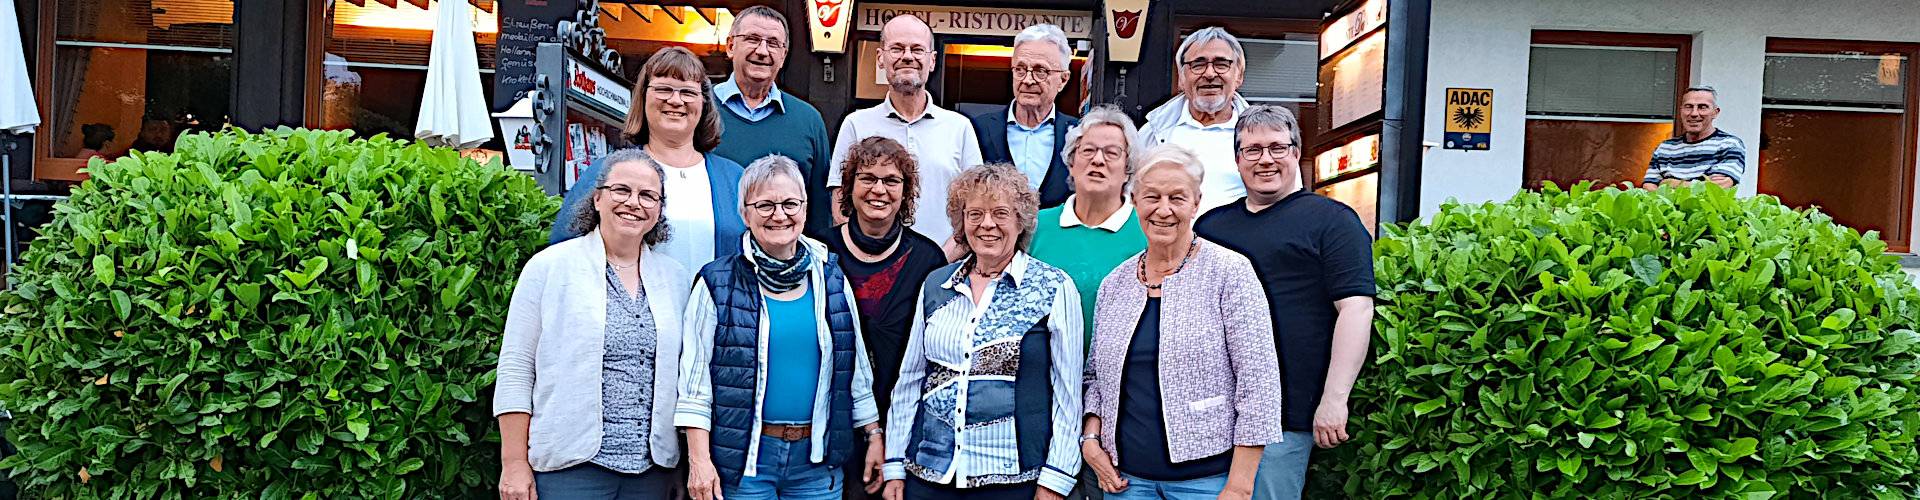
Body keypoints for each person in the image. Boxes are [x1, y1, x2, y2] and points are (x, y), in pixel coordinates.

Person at [1194, 106, 1375, 500]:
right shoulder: (1209, 227)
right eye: (1253, 150)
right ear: (1238, 159)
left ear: (1296, 152)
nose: (1266, 160)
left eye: (1277, 147)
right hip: (1211, 413)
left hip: (1287, 413)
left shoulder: (1334, 222)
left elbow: (1356, 309)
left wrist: (1334, 399)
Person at [677, 155, 885, 500]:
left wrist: (873, 434)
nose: (779, 215)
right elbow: (695, 384)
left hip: (816, 463)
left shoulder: (830, 276)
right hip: (745, 465)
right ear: (744, 214)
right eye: (765, 205)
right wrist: (699, 461)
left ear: (804, 209)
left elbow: (856, 367)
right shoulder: (717, 282)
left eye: (790, 204)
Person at [1081, 143, 1280, 500]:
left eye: (1177, 197)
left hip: (1207, 482)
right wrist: (1091, 438)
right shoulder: (1115, 284)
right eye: (1152, 197)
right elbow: (1095, 376)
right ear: (1134, 201)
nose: (1164, 209)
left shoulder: (1229, 272)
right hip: (1125, 482)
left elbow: (1259, 383)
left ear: (1196, 203)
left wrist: (1239, 486)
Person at [495, 149, 693, 499]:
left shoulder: (675, 279)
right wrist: (513, 464)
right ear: (597, 198)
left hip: (651, 474)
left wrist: (678, 467)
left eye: (648, 195)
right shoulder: (549, 267)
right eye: (621, 190)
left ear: (659, 210)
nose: (633, 203)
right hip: (571, 469)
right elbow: (516, 368)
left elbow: (681, 377)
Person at [882, 164, 1084, 500]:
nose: (986, 224)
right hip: (929, 476)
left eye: (1000, 213)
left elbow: (1068, 394)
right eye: (974, 214)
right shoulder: (937, 284)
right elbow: (911, 379)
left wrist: (1056, 479)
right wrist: (894, 467)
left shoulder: (1053, 287)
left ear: (1020, 221)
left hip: (1013, 482)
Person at [821, 136, 951, 499]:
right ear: (849, 188)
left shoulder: (928, 261)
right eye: (867, 178)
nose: (879, 189)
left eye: (891, 180)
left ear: (905, 192)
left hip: (902, 429)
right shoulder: (819, 250)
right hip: (827, 426)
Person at [554, 47, 747, 271]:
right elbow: (565, 250)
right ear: (643, 97)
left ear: (704, 103)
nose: (676, 100)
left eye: (688, 92)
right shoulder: (609, 172)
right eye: (664, 89)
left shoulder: (735, 178)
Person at [829, 14, 984, 260]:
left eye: (917, 49)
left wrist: (936, 261)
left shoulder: (960, 128)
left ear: (932, 60)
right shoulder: (856, 124)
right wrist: (868, 260)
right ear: (880, 58)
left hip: (944, 268)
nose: (908, 56)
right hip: (870, 269)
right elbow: (841, 205)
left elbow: (976, 207)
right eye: (897, 48)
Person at [712, 5, 836, 238]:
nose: (762, 51)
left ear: (783, 55)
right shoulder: (698, 109)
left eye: (773, 43)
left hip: (782, 257)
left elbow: (819, 210)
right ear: (730, 46)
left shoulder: (808, 120)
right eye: (752, 39)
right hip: (707, 251)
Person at [1029, 105, 1147, 342]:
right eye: (1088, 150)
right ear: (1071, 163)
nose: (1098, 160)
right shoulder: (1036, 226)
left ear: (1128, 169)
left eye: (1112, 153)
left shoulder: (1146, 231)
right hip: (1045, 363)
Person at [1139, 27, 1252, 215]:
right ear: (1182, 78)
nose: (1209, 74)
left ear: (1238, 75)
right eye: (1198, 64)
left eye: (1221, 64)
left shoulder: (1261, 135)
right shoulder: (1153, 132)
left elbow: (1286, 202)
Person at [969, 24, 1081, 209]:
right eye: (1020, 69)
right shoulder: (977, 129)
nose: (1028, 80)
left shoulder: (1079, 134)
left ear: (1063, 79)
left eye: (1040, 71)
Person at [1642, 86, 1745, 190]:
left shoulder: (1729, 145)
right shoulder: (1665, 148)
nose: (1694, 113)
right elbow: (1648, 187)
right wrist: (1699, 184)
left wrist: (1668, 183)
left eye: (1702, 107)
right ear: (1681, 111)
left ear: (1715, 112)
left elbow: (1716, 188)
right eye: (1688, 107)